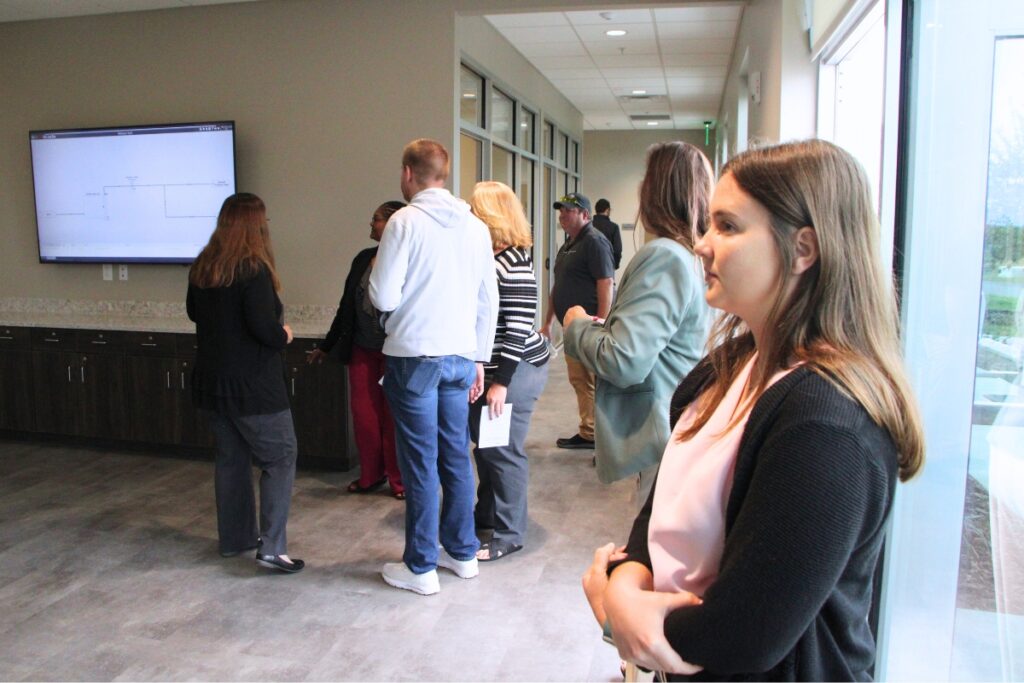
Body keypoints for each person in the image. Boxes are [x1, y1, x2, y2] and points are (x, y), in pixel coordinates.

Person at [582, 140, 925, 679]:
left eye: (728, 226)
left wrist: (620, 613)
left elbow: (741, 636)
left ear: (803, 248)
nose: (702, 244)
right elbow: (664, 509)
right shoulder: (734, 363)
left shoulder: (828, 425)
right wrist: (627, 583)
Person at [369, 139, 499, 596]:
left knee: (419, 463)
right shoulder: (476, 227)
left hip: (414, 356)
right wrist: (479, 357)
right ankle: (463, 554)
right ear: (444, 175)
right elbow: (489, 300)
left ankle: (421, 566)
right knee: (456, 457)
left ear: (409, 173)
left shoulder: (404, 222)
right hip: (462, 357)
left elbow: (383, 296)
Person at [563, 142, 712, 510]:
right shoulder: (694, 255)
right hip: (682, 429)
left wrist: (577, 326)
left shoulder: (665, 256)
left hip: (664, 436)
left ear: (654, 191)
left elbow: (623, 361)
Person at [186, 192, 304, 574]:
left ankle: (235, 538)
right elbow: (264, 330)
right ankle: (272, 547)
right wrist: (285, 333)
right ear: (256, 227)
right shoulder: (253, 270)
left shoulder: (203, 267)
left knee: (231, 459)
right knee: (280, 456)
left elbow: (193, 312)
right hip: (254, 385)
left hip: (213, 381)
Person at [467, 181, 550, 562]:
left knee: (502, 450)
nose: (470, 215)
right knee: (486, 446)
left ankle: (510, 533)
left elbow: (517, 328)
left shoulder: (514, 261)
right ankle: (486, 515)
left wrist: (500, 382)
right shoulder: (489, 256)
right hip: (498, 368)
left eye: (476, 209)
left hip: (516, 371)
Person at [308, 200, 407, 500]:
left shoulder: (409, 258)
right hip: (362, 349)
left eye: (375, 219)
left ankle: (399, 481)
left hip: (396, 352)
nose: (370, 224)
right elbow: (346, 308)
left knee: (395, 418)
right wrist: (327, 346)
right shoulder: (363, 258)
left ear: (392, 223)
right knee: (364, 416)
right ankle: (370, 475)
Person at [539, 192, 614, 451]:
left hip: (588, 326)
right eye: (561, 210)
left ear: (585, 214)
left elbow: (606, 282)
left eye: (568, 210)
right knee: (580, 380)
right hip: (570, 327)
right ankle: (589, 431)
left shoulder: (594, 242)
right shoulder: (568, 245)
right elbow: (558, 286)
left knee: (591, 380)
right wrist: (548, 323)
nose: (562, 215)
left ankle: (596, 435)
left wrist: (602, 321)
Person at [593, 198, 623, 271]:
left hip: (589, 266)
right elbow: (617, 250)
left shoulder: (588, 226)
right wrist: (615, 265)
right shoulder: (613, 227)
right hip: (607, 266)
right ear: (607, 210)